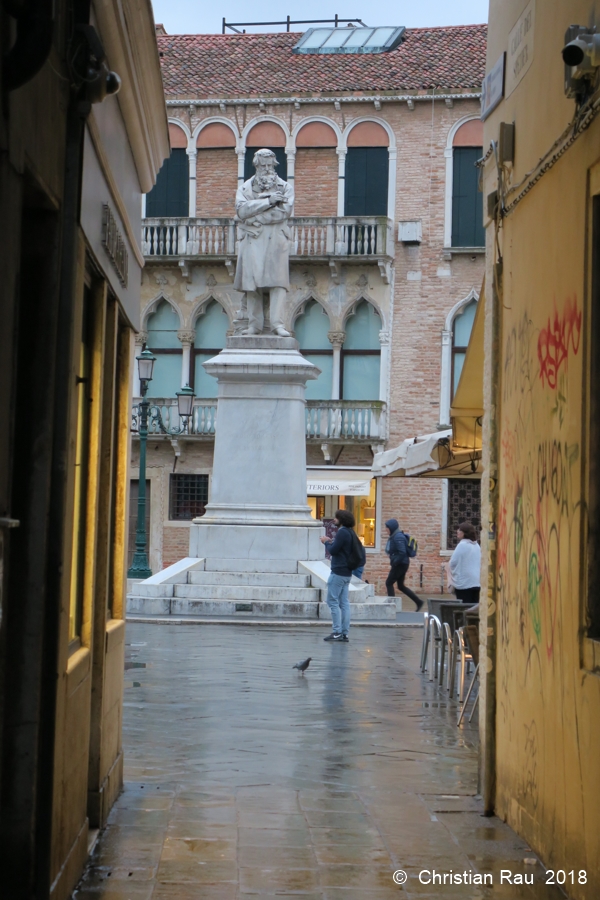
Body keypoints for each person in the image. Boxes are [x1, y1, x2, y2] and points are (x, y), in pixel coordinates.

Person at [233, 148, 294, 337]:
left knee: (278, 283)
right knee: (252, 284)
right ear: (256, 166)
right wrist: (268, 202)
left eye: (270, 165)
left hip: (276, 239)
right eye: (263, 165)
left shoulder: (285, 188)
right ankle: (254, 325)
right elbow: (241, 211)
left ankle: (277, 324)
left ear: (274, 165)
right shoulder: (245, 188)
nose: (267, 169)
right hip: (252, 239)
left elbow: (283, 212)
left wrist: (256, 216)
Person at [319, 509, 365, 642]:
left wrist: (326, 542)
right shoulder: (351, 533)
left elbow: (333, 550)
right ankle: (344, 632)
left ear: (342, 520)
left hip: (338, 572)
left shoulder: (342, 532)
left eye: (336, 518)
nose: (334, 519)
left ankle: (337, 631)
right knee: (344, 603)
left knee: (332, 601)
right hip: (347, 573)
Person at [385, 519, 423, 611]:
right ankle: (418, 602)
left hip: (400, 564)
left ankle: (392, 607)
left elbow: (402, 552)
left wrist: (395, 562)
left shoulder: (398, 537)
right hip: (402, 564)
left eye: (387, 527)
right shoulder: (395, 536)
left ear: (392, 528)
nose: (386, 529)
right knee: (401, 586)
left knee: (389, 583)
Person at [449, 521, 481, 604]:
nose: (457, 531)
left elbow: (453, 563)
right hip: (477, 582)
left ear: (464, 533)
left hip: (464, 583)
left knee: (465, 608)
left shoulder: (462, 544)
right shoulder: (477, 545)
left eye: (459, 530)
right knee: (474, 608)